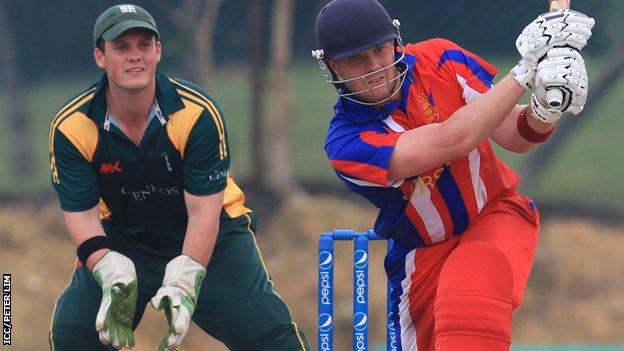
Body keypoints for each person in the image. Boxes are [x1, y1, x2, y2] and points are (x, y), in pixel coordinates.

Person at [313, 0, 594, 350]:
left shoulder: (441, 58)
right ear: (332, 67)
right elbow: (454, 140)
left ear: (395, 42)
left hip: (494, 213)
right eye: (356, 59)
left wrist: (545, 111)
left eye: (380, 51)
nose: (374, 68)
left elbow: (515, 136)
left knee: (473, 286)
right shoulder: (345, 143)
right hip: (420, 255)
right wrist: (526, 71)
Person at [48, 4, 310, 351]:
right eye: (121, 47)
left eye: (144, 44)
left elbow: (204, 212)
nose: (135, 56)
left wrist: (186, 279)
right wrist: (107, 267)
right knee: (73, 333)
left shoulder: (197, 112)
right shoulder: (71, 127)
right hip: (126, 237)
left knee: (265, 332)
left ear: (158, 51)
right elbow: (81, 214)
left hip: (213, 233)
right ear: (100, 56)